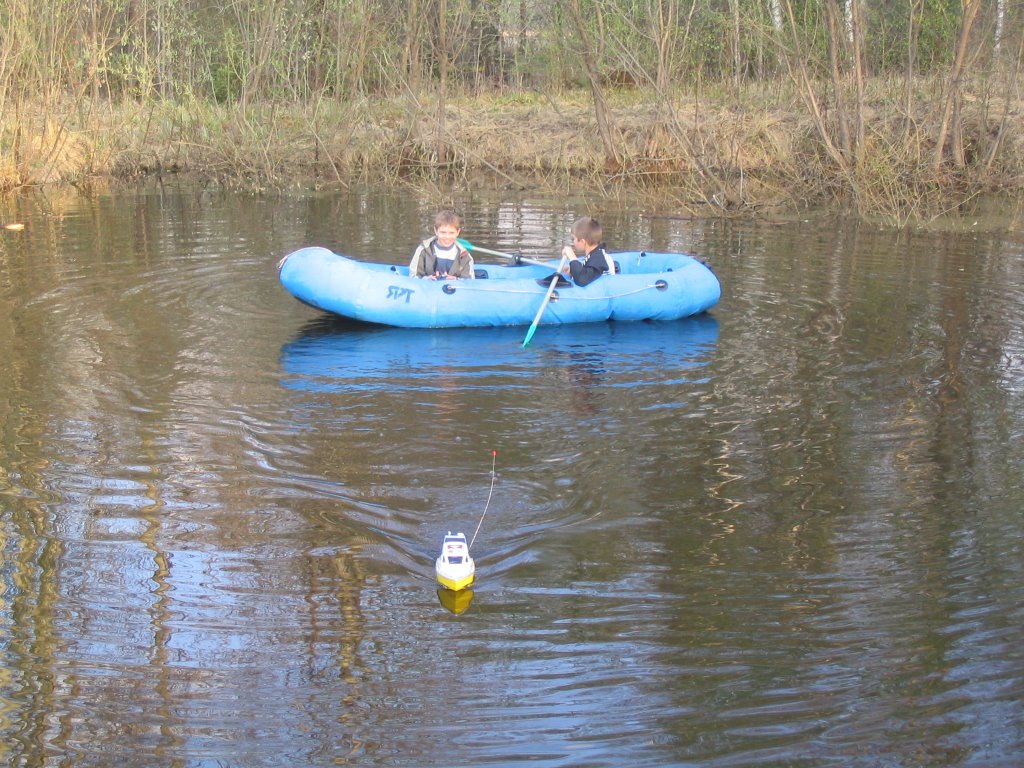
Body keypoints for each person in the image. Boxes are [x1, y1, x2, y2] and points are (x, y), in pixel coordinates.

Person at [409, 209, 475, 280]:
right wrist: (426, 279)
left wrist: (456, 280)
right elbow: (413, 277)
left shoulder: (465, 255)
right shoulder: (423, 250)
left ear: (458, 232)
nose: (447, 237)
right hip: (428, 288)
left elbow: (470, 281)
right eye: (443, 232)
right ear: (436, 230)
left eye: (451, 233)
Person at [560, 216, 613, 287]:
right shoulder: (596, 254)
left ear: (582, 242)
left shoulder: (598, 259)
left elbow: (582, 280)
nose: (573, 242)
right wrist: (572, 271)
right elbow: (588, 272)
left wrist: (572, 257)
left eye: (574, 239)